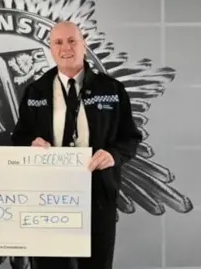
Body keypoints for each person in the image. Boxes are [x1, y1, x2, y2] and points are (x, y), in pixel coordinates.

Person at [11, 21, 143, 269]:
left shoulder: (112, 89)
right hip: (48, 195)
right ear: (50, 48)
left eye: (72, 40)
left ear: (84, 44)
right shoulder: (35, 91)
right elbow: (19, 136)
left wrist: (113, 155)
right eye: (58, 42)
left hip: (98, 192)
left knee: (97, 264)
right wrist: (31, 144)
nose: (66, 48)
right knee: (49, 264)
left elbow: (130, 138)